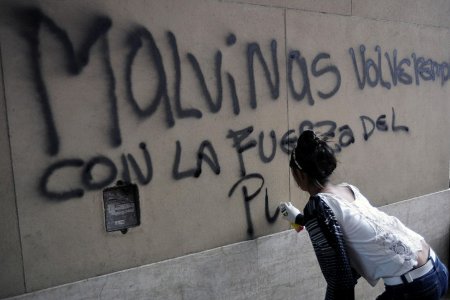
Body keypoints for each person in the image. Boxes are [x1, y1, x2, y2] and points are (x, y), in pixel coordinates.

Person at [279, 130, 448, 300]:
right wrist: (299, 219)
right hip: (436, 268)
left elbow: (339, 277)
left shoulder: (316, 207)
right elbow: (344, 226)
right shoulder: (347, 189)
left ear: (300, 174)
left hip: (413, 288)